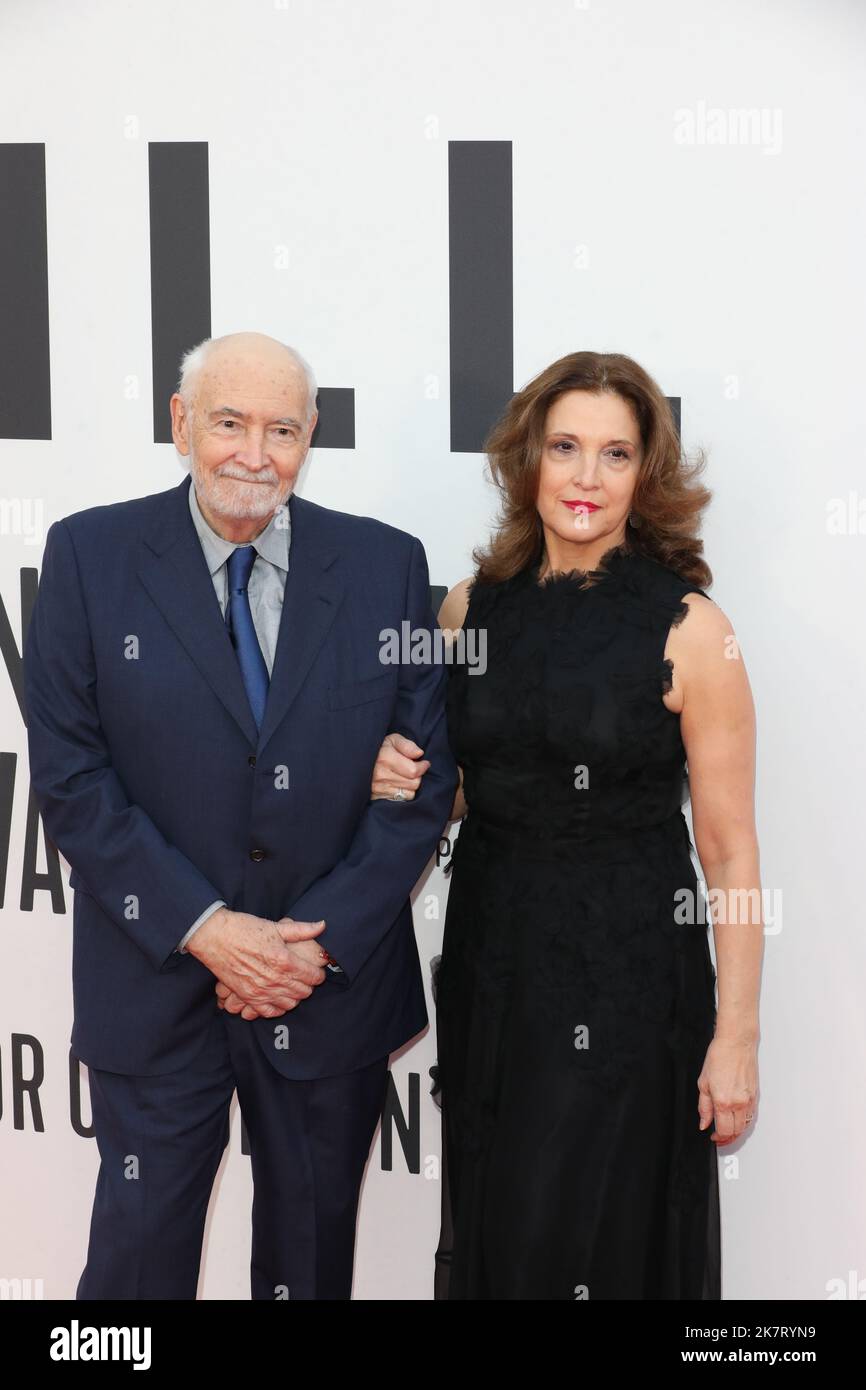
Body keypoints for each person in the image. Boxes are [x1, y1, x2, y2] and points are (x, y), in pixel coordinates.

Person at [23, 331, 457, 1300]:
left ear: (310, 439)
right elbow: (72, 780)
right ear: (181, 424)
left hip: (325, 988)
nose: (253, 454)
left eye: (282, 429)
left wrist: (314, 944)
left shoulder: (385, 567)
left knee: (307, 1273)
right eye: (228, 422)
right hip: (158, 987)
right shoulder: (89, 557)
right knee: (134, 1272)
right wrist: (212, 931)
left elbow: (423, 784)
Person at [370, 350, 763, 1299]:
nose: (587, 477)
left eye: (616, 454)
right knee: (507, 1222)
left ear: (646, 475)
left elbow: (730, 849)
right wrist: (403, 773)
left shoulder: (691, 630)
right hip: (496, 969)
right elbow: (468, 789)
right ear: (527, 460)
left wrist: (738, 1033)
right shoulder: (469, 610)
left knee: (607, 1229)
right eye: (566, 447)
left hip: (630, 979)